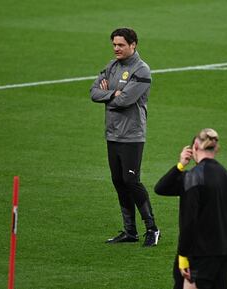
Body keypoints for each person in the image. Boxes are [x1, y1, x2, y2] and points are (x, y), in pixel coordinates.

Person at [90, 27, 160, 247]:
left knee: (131, 181)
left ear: (133, 45)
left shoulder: (142, 70)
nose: (116, 49)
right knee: (119, 181)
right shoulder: (111, 66)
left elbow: (126, 100)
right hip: (112, 133)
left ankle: (152, 228)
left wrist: (109, 95)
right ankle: (130, 231)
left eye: (120, 45)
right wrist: (113, 93)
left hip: (131, 135)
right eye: (114, 44)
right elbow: (93, 92)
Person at [155, 128, 227, 289]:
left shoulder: (193, 177)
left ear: (195, 148)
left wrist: (183, 256)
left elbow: (188, 221)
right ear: (216, 148)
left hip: (199, 254)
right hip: (225, 251)